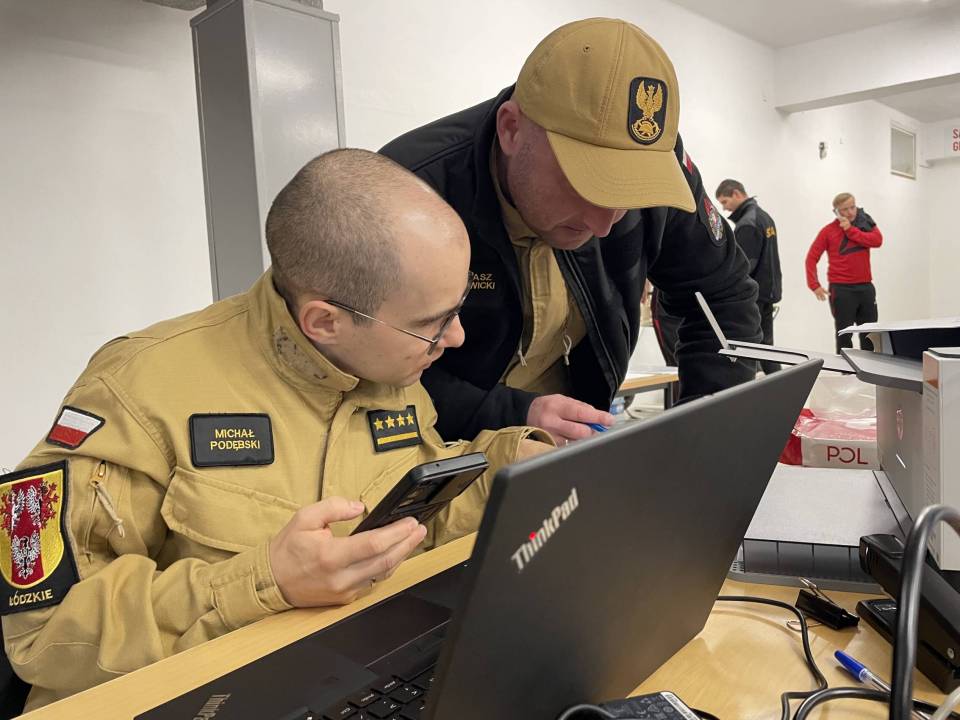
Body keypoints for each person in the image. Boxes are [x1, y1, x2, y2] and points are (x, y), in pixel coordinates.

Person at [0, 149, 550, 710]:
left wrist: (516, 466)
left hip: (344, 678)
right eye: (432, 324)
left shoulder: (388, 366)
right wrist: (264, 583)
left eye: (457, 309)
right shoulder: (134, 387)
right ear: (325, 322)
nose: (455, 338)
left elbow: (410, 516)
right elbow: (42, 634)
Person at [381, 17, 760, 445]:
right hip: (432, 451)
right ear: (511, 129)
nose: (605, 224)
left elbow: (723, 292)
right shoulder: (405, 191)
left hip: (574, 449)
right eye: (586, 183)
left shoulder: (656, 164)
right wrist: (509, 414)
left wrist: (705, 438)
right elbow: (363, 368)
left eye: (630, 193)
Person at [715, 179, 782, 373]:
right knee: (766, 347)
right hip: (767, 291)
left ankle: (764, 386)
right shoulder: (764, 217)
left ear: (736, 194)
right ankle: (781, 386)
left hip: (753, 295)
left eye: (725, 201)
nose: (724, 208)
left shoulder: (747, 224)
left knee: (752, 348)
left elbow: (742, 266)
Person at [805, 192, 883, 352]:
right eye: (845, 209)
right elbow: (811, 258)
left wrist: (851, 230)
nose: (850, 212)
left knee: (870, 335)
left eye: (853, 207)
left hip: (866, 288)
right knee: (844, 336)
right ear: (836, 212)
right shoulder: (828, 231)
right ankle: (844, 368)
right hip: (842, 290)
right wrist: (814, 285)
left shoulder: (865, 224)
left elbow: (877, 241)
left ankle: (870, 367)